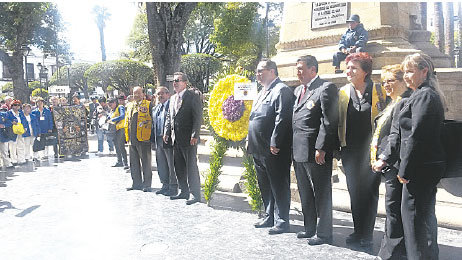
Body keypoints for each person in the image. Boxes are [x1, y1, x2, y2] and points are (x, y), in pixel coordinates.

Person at [374, 53, 446, 260]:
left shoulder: (424, 95)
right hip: (420, 166)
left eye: (410, 71)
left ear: (425, 71)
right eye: (404, 71)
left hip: (419, 168)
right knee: (419, 219)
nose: (406, 76)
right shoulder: (419, 94)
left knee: (415, 221)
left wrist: (405, 170)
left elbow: (416, 135)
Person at [338, 52, 384, 251]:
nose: (349, 71)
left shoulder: (379, 91)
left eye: (354, 68)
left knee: (369, 193)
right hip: (350, 151)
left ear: (365, 71)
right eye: (347, 67)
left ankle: (367, 233)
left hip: (372, 152)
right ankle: (358, 230)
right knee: (354, 192)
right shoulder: (342, 93)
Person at [292, 55, 338, 244]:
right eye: (297, 68)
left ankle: (324, 232)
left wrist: (321, 147)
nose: (298, 72)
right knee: (305, 192)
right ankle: (309, 227)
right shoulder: (298, 90)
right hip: (298, 150)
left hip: (315, 151)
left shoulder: (324, 88)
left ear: (313, 70)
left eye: (301, 68)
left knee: (321, 192)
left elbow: (328, 121)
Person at [248, 59, 295, 234]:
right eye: (257, 71)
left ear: (273, 71)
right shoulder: (262, 91)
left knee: (278, 184)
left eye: (261, 71)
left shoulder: (281, 90)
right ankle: (269, 216)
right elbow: (254, 118)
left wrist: (275, 141)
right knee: (265, 184)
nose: (258, 74)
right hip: (258, 147)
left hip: (273, 148)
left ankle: (282, 220)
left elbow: (282, 117)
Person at [163, 72, 202, 205]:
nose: (174, 83)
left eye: (177, 80)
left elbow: (197, 117)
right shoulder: (173, 98)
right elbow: (169, 116)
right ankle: (183, 191)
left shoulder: (192, 97)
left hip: (188, 138)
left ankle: (195, 193)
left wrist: (195, 134)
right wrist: (166, 131)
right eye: (173, 81)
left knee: (191, 166)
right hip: (176, 138)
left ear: (185, 83)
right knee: (178, 166)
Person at [125, 86, 154, 192]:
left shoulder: (148, 104)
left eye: (138, 93)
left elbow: (152, 120)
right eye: (134, 93)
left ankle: (147, 184)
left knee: (146, 162)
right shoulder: (130, 105)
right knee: (133, 162)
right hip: (132, 139)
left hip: (144, 138)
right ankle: (136, 183)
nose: (136, 95)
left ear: (143, 94)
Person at [152, 87, 177, 196]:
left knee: (171, 164)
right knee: (161, 163)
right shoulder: (156, 108)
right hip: (158, 139)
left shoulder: (171, 106)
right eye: (158, 94)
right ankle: (164, 184)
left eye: (162, 93)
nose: (160, 96)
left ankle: (173, 186)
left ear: (168, 94)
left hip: (168, 139)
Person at [108, 98, 128, 169]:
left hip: (121, 128)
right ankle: (119, 161)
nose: (110, 106)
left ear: (114, 103)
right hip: (114, 129)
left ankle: (125, 162)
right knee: (116, 145)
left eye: (111, 105)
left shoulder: (120, 107)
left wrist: (113, 119)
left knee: (121, 145)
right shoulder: (112, 110)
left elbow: (122, 116)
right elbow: (110, 117)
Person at [7, 100, 28, 165]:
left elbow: (24, 120)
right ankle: (14, 160)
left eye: (18, 105)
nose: (17, 106)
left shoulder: (21, 113)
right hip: (12, 131)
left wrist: (25, 128)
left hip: (20, 131)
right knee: (13, 146)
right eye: (15, 105)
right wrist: (11, 123)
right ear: (12, 106)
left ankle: (21, 159)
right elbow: (6, 121)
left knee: (21, 145)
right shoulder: (9, 113)